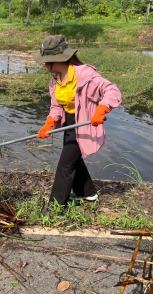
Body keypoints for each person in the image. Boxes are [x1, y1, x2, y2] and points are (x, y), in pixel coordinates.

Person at [33, 35, 122, 214]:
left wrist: (103, 108)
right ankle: (87, 193)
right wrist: (49, 123)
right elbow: (56, 106)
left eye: (45, 60)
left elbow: (111, 90)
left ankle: (55, 207)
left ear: (55, 59)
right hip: (69, 122)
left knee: (65, 164)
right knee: (73, 158)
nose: (43, 64)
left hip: (85, 123)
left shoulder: (85, 75)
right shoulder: (55, 79)